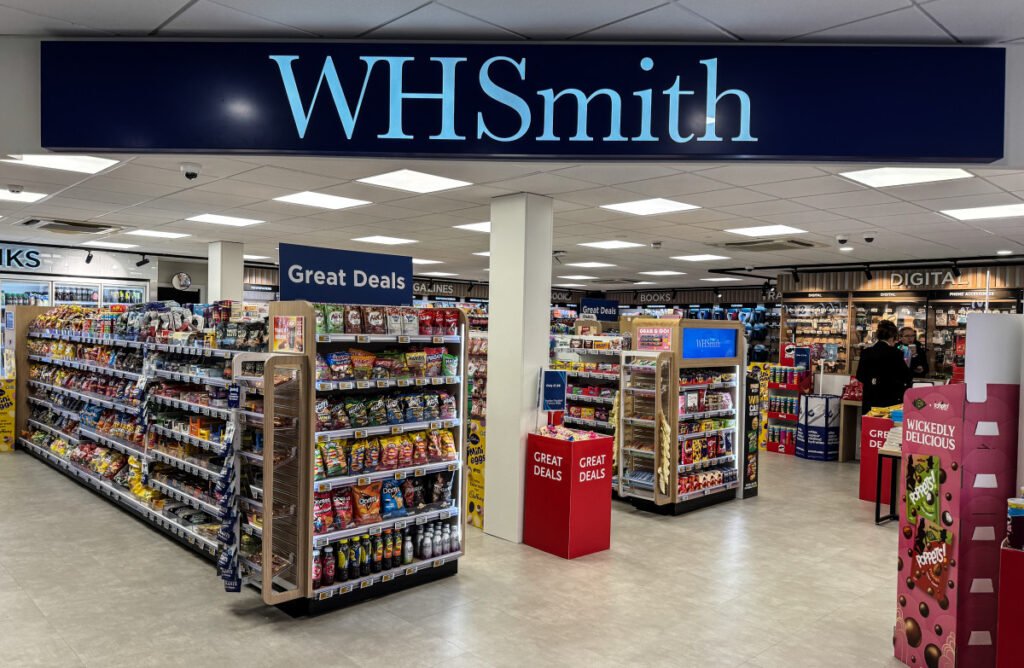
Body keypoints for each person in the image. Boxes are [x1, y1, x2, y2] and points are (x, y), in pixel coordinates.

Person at [856, 320, 913, 411]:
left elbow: (860, 376)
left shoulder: (866, 352)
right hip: (890, 399)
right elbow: (906, 376)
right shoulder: (896, 353)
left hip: (870, 398)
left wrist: (873, 381)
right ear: (892, 337)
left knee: (869, 420)